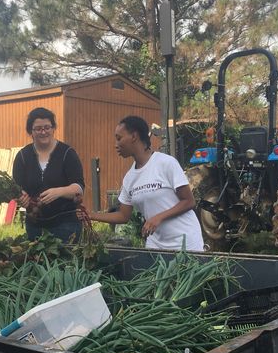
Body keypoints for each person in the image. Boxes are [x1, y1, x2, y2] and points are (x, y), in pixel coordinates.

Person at [80, 116, 204, 251]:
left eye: (119, 138)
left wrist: (158, 218)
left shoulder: (166, 163)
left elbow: (189, 201)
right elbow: (123, 216)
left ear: (134, 136)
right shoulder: (129, 178)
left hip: (186, 243)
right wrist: (91, 215)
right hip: (155, 245)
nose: (116, 145)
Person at [12, 107, 85, 242]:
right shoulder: (23, 156)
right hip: (35, 225)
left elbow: (79, 188)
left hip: (66, 225)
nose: (43, 132)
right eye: (38, 129)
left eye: (47, 127)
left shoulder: (67, 153)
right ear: (31, 131)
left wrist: (59, 192)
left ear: (53, 128)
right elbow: (16, 188)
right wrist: (21, 198)